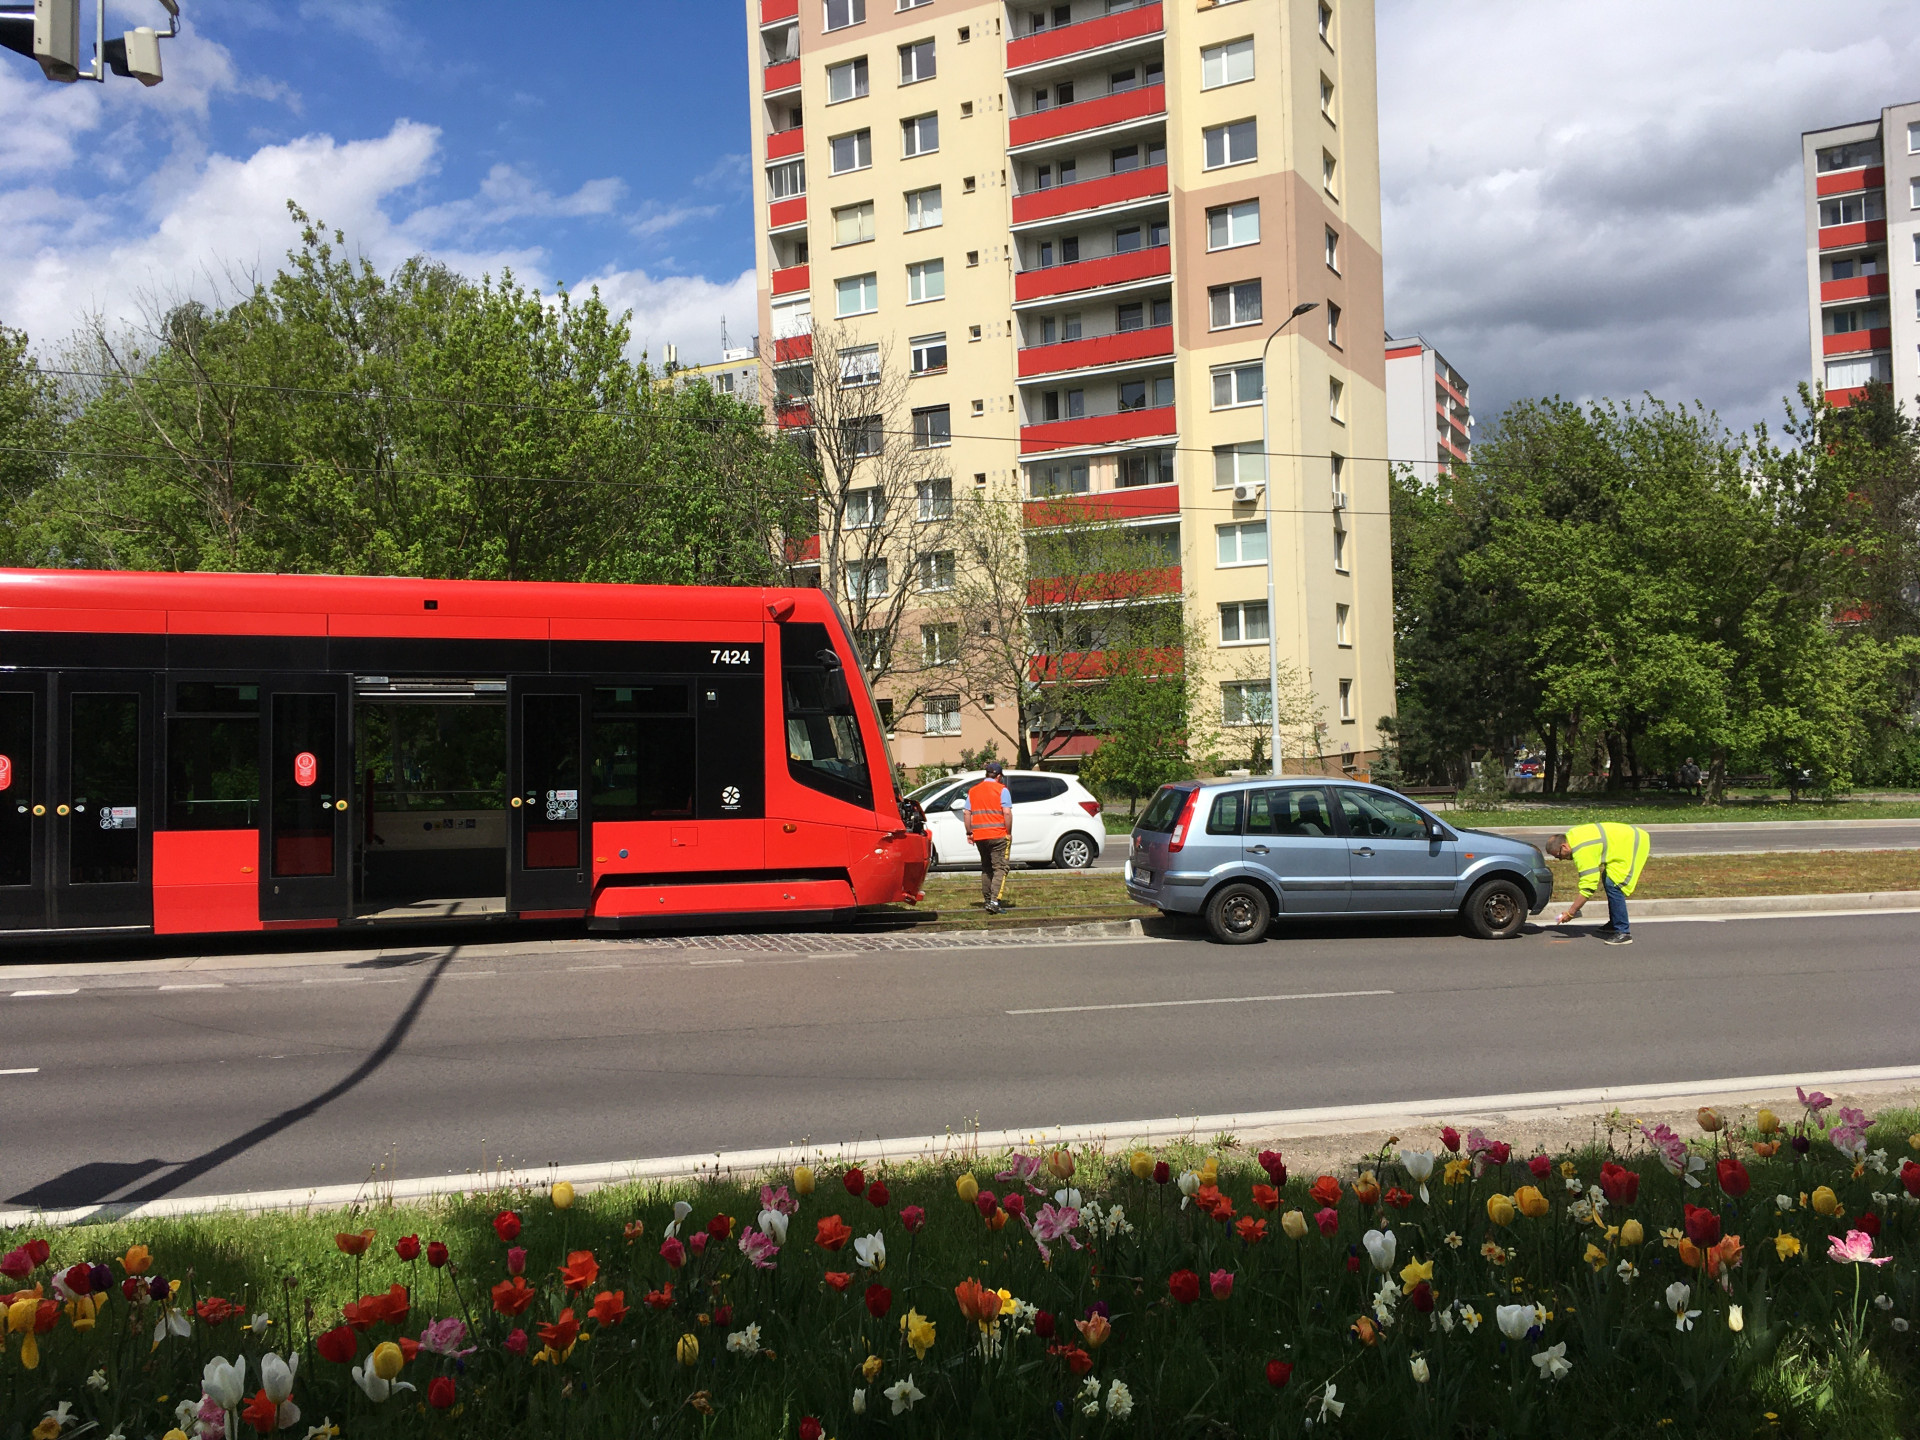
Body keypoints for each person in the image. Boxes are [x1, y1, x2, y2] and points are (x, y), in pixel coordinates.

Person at [1546, 822, 1651, 945]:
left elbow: (1588, 887)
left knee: (1614, 884)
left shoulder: (1582, 850)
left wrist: (1571, 912)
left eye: (1558, 856)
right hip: (1626, 841)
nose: (1560, 859)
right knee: (1608, 878)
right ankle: (1614, 923)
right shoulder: (1572, 837)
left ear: (1564, 846)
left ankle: (1623, 932)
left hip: (1634, 844)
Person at [959, 760, 1014, 914]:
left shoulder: (973, 790)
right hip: (998, 835)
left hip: (980, 836)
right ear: (999, 776)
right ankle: (995, 902)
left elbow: (966, 813)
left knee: (986, 868)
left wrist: (969, 832)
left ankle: (988, 900)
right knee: (1000, 868)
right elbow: (1007, 813)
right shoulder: (1002, 790)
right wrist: (1008, 832)